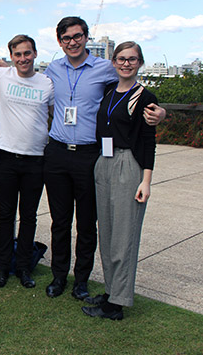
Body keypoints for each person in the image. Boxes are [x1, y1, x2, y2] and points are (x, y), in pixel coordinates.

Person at [43, 17, 165, 300]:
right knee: (60, 222)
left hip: (90, 156)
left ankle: (81, 281)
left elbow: (134, 89)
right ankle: (58, 276)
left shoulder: (104, 69)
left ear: (86, 37)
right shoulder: (52, 69)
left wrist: (161, 113)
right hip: (58, 153)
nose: (72, 42)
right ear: (59, 41)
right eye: (66, 38)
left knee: (87, 224)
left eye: (77, 36)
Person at [82, 42, 157, 320]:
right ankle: (111, 290)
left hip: (129, 166)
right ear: (113, 62)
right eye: (122, 59)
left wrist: (146, 181)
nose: (126, 63)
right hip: (104, 162)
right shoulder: (109, 92)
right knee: (109, 233)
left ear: (139, 63)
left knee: (124, 236)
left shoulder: (145, 97)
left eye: (132, 59)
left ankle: (118, 304)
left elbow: (149, 142)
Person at [0, 35, 54, 289]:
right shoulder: (3, 75)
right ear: (11, 57)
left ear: (35, 54)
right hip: (7, 158)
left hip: (36, 160)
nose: (23, 58)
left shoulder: (47, 83)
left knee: (29, 216)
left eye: (27, 53)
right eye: (18, 54)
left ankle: (23, 267)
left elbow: (60, 110)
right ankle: (2, 266)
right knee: (5, 215)